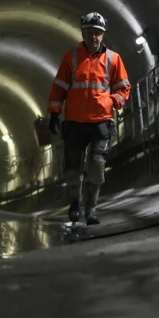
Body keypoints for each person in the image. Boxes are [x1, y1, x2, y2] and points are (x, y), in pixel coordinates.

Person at [47, 12, 131, 224]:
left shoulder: (113, 59)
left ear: (103, 35)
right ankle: (75, 202)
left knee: (96, 166)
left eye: (98, 33)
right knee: (73, 168)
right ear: (83, 33)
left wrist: (112, 102)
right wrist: (54, 112)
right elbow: (59, 87)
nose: (94, 36)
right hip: (75, 123)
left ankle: (91, 209)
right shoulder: (71, 57)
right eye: (90, 32)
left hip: (101, 122)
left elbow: (123, 88)